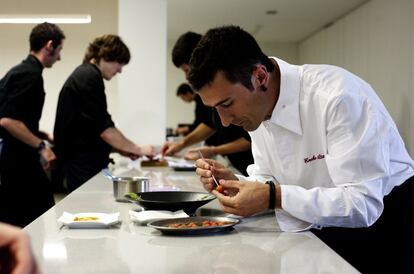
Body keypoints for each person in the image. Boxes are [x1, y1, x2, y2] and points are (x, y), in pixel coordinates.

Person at [190, 25, 414, 274]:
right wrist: (236, 184)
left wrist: (272, 196)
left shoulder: (337, 96)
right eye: (214, 108)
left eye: (227, 103)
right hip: (318, 224)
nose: (224, 121)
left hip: (386, 223)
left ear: (260, 77)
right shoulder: (256, 110)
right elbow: (270, 177)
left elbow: (362, 204)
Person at [53, 35, 155, 192]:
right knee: (88, 212)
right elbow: (105, 130)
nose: (120, 70)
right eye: (119, 63)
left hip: (81, 164)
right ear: (106, 56)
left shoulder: (86, 75)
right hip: (82, 168)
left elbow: (90, 129)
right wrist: (139, 149)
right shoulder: (89, 77)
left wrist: (123, 149)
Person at [0, 22, 65, 227]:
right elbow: (8, 120)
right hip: (17, 160)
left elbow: (16, 117)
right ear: (49, 45)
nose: (60, 57)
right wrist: (41, 146)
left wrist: (42, 135)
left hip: (13, 157)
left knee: (26, 216)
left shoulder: (19, 71)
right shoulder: (30, 75)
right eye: (59, 50)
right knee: (36, 215)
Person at [162, 31, 253, 175]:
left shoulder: (235, 87)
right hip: (242, 168)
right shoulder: (208, 96)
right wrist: (181, 145)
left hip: (253, 163)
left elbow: (249, 139)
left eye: (187, 70)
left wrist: (212, 150)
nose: (187, 77)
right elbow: (209, 124)